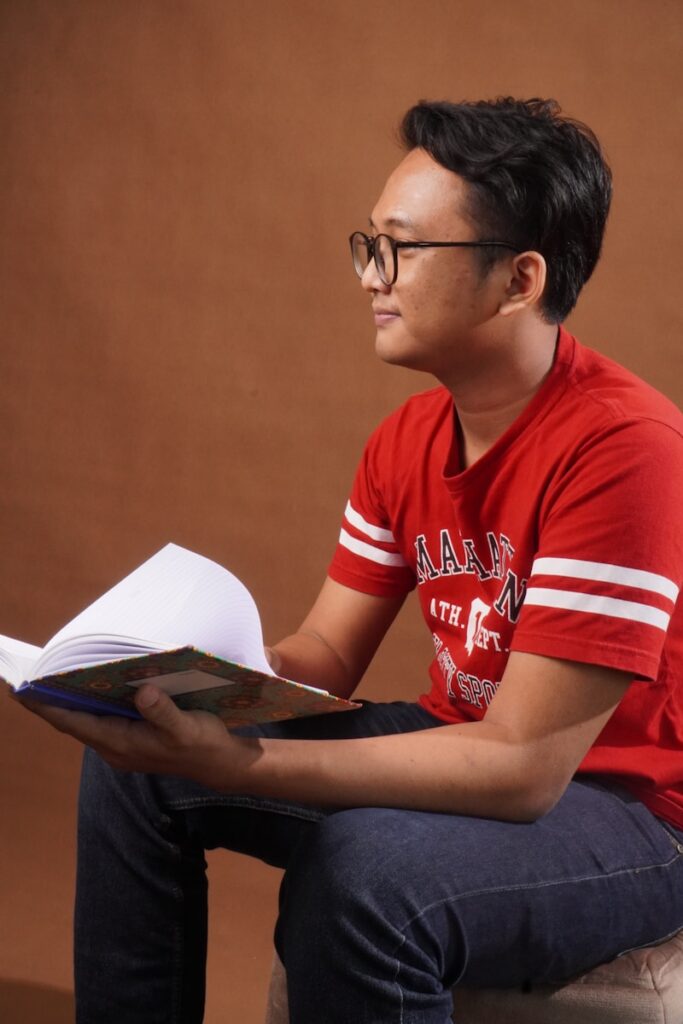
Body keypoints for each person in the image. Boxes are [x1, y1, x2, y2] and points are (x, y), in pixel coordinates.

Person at [21, 98, 683, 1024]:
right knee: (139, 769)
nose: (372, 276)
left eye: (402, 249)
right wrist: (181, 679)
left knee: (364, 872)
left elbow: (524, 765)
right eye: (368, 244)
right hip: (459, 739)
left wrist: (245, 766)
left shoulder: (627, 448)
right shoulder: (404, 438)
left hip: (622, 811)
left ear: (518, 280)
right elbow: (323, 659)